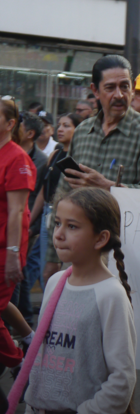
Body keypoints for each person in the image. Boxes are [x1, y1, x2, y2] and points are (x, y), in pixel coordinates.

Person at [43, 54, 140, 414]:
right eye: (111, 87)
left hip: (125, 261)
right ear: (93, 92)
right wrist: (51, 252)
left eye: (126, 85)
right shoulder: (84, 134)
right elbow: (64, 193)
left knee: (118, 359)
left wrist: (108, 187)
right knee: (81, 353)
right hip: (81, 260)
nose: (120, 94)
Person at [23, 187, 137, 414]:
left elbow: (122, 380)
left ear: (101, 238)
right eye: (58, 222)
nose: (59, 233)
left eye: (72, 226)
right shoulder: (56, 282)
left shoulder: (111, 295)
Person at [0, 98, 36, 386]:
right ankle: (30, 341)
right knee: (2, 304)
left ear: (10, 124)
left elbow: (16, 211)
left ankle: (19, 361)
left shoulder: (17, 158)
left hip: (6, 248)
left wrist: (13, 254)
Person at [31, 113, 82, 289]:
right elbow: (44, 190)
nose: (61, 129)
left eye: (67, 126)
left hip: (64, 217)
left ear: (78, 130)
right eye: (59, 125)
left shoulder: (78, 159)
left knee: (52, 269)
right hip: (48, 212)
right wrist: (31, 218)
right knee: (38, 265)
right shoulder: (55, 154)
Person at [9, 112, 47, 326]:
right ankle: (23, 320)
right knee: (20, 272)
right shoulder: (10, 151)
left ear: (30, 133)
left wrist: (32, 226)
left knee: (18, 271)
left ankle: (22, 325)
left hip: (27, 224)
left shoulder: (39, 160)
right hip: (16, 223)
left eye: (19, 125)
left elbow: (39, 195)